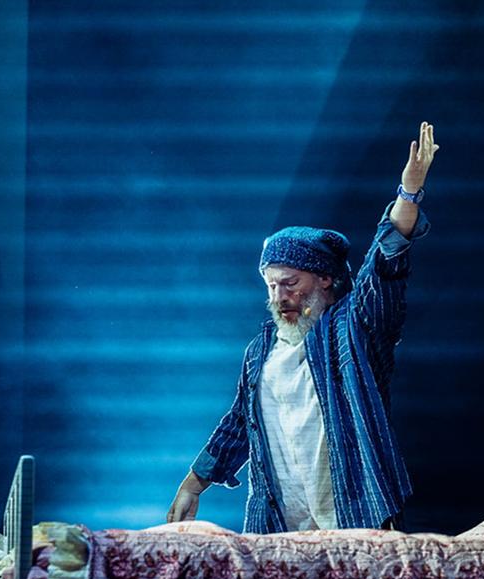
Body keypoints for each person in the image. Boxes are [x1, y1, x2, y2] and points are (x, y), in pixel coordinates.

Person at [167, 122, 439, 534]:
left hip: (354, 515)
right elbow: (241, 420)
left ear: (324, 279)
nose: (279, 297)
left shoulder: (354, 326)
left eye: (290, 284)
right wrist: (194, 483)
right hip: (280, 525)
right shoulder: (261, 351)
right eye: (271, 285)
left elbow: (383, 266)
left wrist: (408, 193)